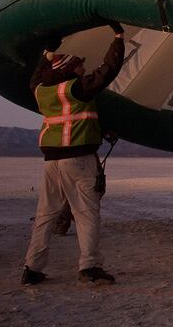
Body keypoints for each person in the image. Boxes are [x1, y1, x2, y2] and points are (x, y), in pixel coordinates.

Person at [21, 22, 126, 287]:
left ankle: (32, 269)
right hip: (78, 161)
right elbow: (108, 70)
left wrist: (47, 52)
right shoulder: (76, 88)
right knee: (87, 213)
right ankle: (89, 267)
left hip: (51, 163)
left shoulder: (41, 92)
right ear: (69, 70)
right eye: (79, 65)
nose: (83, 69)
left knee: (46, 214)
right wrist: (118, 38)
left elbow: (36, 77)